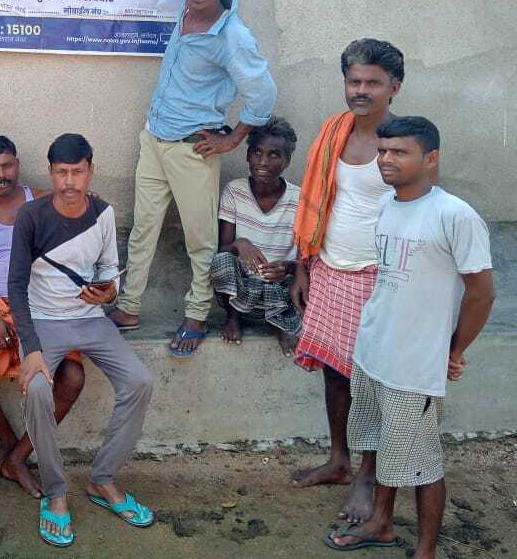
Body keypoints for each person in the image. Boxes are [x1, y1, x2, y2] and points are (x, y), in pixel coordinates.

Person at [325, 117, 493, 556]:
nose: (386, 159)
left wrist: (454, 349)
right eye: (383, 151)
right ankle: (381, 524)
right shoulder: (388, 205)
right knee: (384, 445)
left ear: (431, 158)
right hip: (374, 350)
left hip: (415, 364)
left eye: (399, 152)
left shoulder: (454, 215)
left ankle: (425, 550)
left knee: (421, 462)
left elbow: (481, 293)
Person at [109, 0, 277, 356]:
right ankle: (128, 308)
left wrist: (232, 139)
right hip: (155, 139)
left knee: (200, 240)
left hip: (193, 150)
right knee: (143, 229)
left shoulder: (232, 37)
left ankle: (197, 314)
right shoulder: (185, 12)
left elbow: (263, 95)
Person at [11, 134, 155, 547]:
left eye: (77, 172)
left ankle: (102, 479)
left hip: (91, 319)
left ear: (91, 171)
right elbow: (16, 284)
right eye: (61, 172)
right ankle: (55, 491)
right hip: (43, 321)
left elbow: (109, 269)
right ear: (51, 173)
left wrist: (107, 294)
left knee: (140, 382)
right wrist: (31, 348)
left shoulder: (103, 213)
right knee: (38, 388)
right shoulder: (31, 216)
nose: (69, 181)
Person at [290, 39, 405, 525]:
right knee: (335, 374)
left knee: (371, 383)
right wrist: (304, 264)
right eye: (354, 80)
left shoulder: (402, 142)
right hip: (330, 268)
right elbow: (316, 200)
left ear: (394, 87)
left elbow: (417, 214)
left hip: (380, 277)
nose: (361, 90)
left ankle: (368, 474)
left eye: (373, 82)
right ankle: (339, 460)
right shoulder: (334, 130)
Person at [0, 135, 86, 498]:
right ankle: (6, 441)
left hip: (45, 306)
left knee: (73, 376)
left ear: (17, 164)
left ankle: (18, 456)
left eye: (7, 165)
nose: (1, 175)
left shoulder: (45, 201)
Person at [211, 116, 301, 356]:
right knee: (220, 261)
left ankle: (279, 323)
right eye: (257, 152)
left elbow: (305, 258)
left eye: (274, 155)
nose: (263, 161)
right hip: (242, 288)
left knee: (307, 274)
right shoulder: (234, 191)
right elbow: (223, 249)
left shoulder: (299, 199)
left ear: (286, 161)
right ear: (248, 155)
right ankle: (233, 318)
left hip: (279, 288)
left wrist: (289, 267)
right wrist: (240, 244)